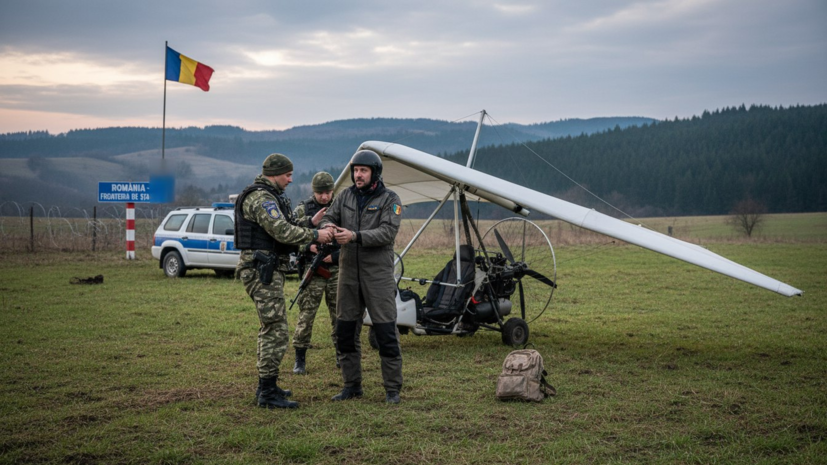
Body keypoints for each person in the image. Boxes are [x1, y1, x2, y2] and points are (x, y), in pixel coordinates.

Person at [234, 153, 333, 409]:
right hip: (261, 270)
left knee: (272, 326)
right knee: (275, 329)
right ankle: (267, 393)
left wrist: (309, 222)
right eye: (287, 175)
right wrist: (315, 234)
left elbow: (287, 223)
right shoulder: (261, 198)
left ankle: (267, 386)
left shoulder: (271, 196)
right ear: (275, 173)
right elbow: (281, 231)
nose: (290, 180)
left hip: (267, 268)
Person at [319, 150, 404, 404]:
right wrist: (328, 227)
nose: (358, 174)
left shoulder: (391, 199)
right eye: (355, 170)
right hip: (347, 274)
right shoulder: (344, 196)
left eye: (363, 170)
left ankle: (392, 390)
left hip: (377, 275)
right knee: (344, 331)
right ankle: (352, 385)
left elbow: (388, 232)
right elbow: (328, 217)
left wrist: (355, 236)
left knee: (385, 332)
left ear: (374, 173)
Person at [291, 171, 341, 375]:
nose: (324, 197)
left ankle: (342, 354)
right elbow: (290, 234)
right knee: (306, 315)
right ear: (314, 191)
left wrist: (336, 255)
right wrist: (307, 247)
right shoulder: (303, 209)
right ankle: (300, 358)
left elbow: (352, 234)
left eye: (328, 192)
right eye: (321, 193)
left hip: (336, 270)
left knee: (340, 314)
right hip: (313, 268)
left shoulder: (340, 207)